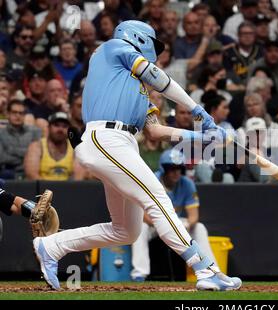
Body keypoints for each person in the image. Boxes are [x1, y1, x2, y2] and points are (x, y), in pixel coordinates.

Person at [32, 20, 241, 291]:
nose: (154, 51)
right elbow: (159, 78)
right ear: (138, 37)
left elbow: (155, 132)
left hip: (122, 144)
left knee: (126, 230)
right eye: (152, 44)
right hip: (105, 137)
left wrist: (204, 137)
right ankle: (205, 269)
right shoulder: (112, 48)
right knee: (157, 199)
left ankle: (52, 246)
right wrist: (196, 108)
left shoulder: (139, 92)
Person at [131, 149, 218, 281]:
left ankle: (212, 271)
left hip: (176, 222)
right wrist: (161, 225)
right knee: (140, 228)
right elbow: (141, 213)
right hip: (153, 223)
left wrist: (188, 224)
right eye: (171, 168)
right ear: (163, 169)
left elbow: (193, 215)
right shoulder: (152, 180)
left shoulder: (187, 184)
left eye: (178, 168)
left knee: (199, 227)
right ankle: (139, 274)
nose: (176, 172)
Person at [24, 112, 83, 181]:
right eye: (56, 125)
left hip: (68, 190)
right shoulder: (37, 146)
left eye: (64, 126)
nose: (60, 129)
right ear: (48, 127)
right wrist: (51, 190)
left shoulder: (75, 147)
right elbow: (32, 175)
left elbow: (78, 177)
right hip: (42, 190)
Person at [0, 100, 41, 180]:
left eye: (21, 113)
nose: (18, 116)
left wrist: (10, 150)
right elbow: (2, 158)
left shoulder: (34, 132)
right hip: (8, 172)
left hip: (30, 172)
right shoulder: (1, 133)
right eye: (14, 112)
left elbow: (38, 156)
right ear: (8, 114)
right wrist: (27, 155)